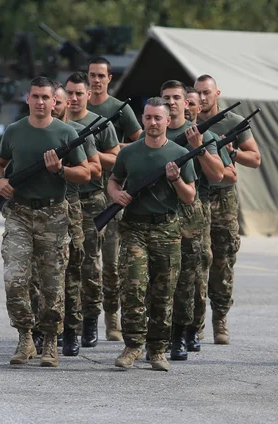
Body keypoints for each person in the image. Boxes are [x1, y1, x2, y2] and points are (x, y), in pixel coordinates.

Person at [0, 76, 91, 367]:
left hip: (54, 215)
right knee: (14, 279)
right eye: (35, 96)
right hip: (19, 213)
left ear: (53, 101)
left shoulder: (65, 132)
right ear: (28, 99)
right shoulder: (14, 131)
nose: (40, 102)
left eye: (46, 98)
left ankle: (49, 341)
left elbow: (85, 173)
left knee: (52, 284)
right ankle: (25, 338)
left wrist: (60, 170)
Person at [108, 97, 196, 371]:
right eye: (148, 117)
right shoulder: (129, 152)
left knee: (163, 292)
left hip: (167, 230)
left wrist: (175, 179)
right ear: (142, 119)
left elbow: (190, 197)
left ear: (168, 121)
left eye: (158, 118)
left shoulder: (179, 153)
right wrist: (116, 195)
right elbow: (113, 180)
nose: (153, 123)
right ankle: (133, 345)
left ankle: (157, 350)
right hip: (134, 228)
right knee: (133, 287)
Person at [28, 83, 101, 357]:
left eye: (58, 101)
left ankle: (71, 329)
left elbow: (93, 169)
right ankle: (40, 331)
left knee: (72, 271)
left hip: (70, 206)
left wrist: (62, 169)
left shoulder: (76, 135)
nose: (55, 106)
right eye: (52, 101)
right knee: (37, 274)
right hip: (38, 209)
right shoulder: (31, 131)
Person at [159, 80, 223, 361]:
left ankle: (186, 332)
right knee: (160, 276)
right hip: (158, 211)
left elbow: (218, 175)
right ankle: (158, 333)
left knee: (191, 277)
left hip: (191, 213)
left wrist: (199, 147)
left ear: (187, 103)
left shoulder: (200, 133)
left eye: (176, 98)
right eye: (166, 98)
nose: (171, 102)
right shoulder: (154, 130)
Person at [193, 74, 259, 345]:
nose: (202, 97)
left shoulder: (233, 122)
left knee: (223, 261)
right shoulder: (187, 123)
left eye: (206, 92)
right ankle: (194, 323)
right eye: (197, 93)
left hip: (224, 200)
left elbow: (255, 158)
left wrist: (232, 153)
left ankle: (220, 318)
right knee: (195, 262)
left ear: (217, 93)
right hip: (196, 197)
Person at [87, 56, 143, 342]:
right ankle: (84, 322)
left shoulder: (119, 109)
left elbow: (141, 142)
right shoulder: (77, 107)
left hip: (109, 193)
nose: (96, 80)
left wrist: (118, 151)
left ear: (109, 78)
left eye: (101, 75)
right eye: (92, 75)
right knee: (83, 264)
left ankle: (111, 319)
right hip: (80, 194)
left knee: (111, 264)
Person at [65, 72, 120, 348]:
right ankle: (67, 323)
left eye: (78, 93)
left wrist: (90, 156)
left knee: (89, 265)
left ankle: (90, 321)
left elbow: (117, 159)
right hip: (62, 203)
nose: (73, 99)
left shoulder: (100, 124)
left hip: (91, 201)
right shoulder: (56, 125)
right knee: (64, 266)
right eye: (69, 93)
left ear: (88, 95)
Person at [184, 86, 237, 351]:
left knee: (218, 263)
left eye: (196, 102)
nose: (192, 106)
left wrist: (205, 151)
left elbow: (228, 174)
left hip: (214, 204)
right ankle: (189, 325)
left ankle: (218, 318)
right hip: (184, 209)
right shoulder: (162, 135)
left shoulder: (211, 136)